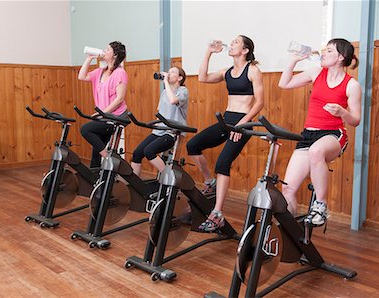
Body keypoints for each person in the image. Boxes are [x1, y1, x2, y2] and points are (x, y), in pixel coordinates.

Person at [278, 38, 361, 225]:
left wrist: (342, 112)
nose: (323, 53)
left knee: (316, 152)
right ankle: (289, 231)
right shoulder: (316, 73)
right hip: (308, 134)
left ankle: (321, 205)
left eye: (329, 51)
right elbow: (284, 84)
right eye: (324, 50)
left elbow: (355, 120)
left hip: (333, 134)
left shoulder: (351, 85)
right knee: (288, 190)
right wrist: (293, 60)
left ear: (341, 57)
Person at [186, 35, 264, 232]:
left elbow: (259, 103)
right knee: (192, 145)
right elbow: (202, 78)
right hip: (226, 121)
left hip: (243, 123)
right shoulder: (227, 72)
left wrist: (241, 125)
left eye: (237, 42)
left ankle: (218, 213)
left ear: (245, 50)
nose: (232, 43)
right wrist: (209, 52)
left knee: (222, 164)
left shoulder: (253, 70)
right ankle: (209, 181)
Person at [78, 41, 128, 168]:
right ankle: (95, 181)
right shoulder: (100, 71)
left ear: (115, 55)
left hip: (115, 117)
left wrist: (103, 113)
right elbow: (81, 77)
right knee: (96, 150)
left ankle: (108, 158)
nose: (104, 51)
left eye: (107, 50)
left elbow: (120, 98)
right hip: (104, 116)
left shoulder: (120, 73)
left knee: (85, 129)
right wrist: (89, 58)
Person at [130, 66, 188, 176]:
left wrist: (165, 81)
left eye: (172, 72)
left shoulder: (183, 91)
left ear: (180, 78)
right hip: (159, 130)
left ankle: (169, 177)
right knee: (137, 154)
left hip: (172, 133)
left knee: (149, 151)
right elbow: (160, 113)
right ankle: (134, 186)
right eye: (168, 71)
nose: (169, 73)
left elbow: (173, 100)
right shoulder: (164, 93)